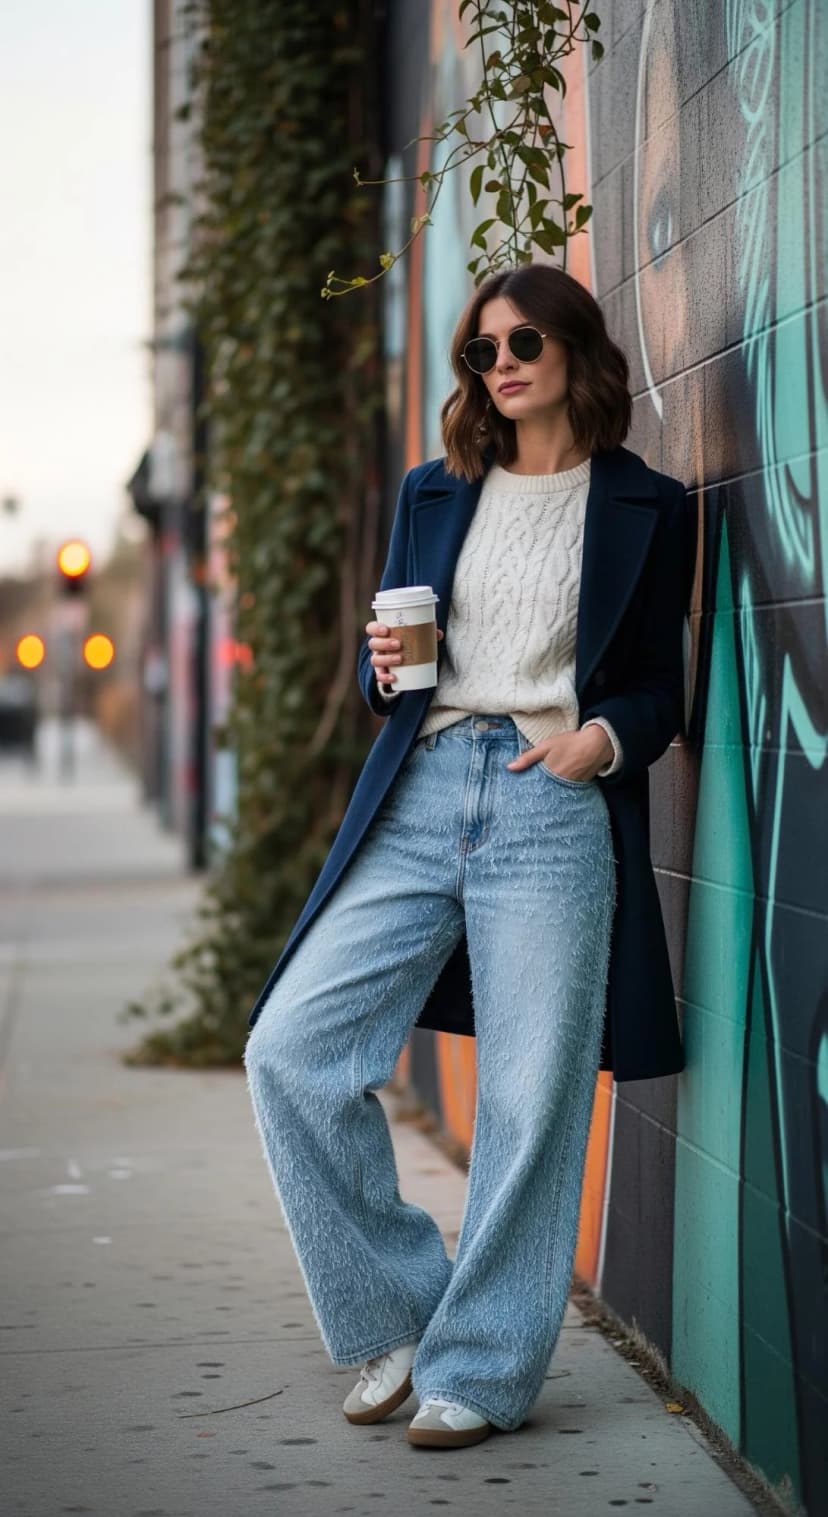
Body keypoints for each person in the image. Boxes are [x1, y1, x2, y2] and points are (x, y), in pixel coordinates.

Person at [243, 262, 694, 1450]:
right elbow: (390, 654)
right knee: (291, 1048)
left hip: (552, 798)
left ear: (574, 351)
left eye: (524, 341)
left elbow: (659, 689)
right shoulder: (438, 490)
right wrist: (379, 668)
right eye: (482, 349)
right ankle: (397, 1306)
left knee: (530, 1090)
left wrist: (598, 742)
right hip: (426, 782)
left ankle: (484, 1367)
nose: (501, 363)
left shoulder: (649, 503)